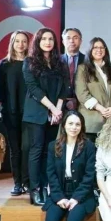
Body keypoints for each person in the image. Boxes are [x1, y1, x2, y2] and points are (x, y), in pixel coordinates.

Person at [41, 110, 97, 221]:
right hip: (59, 193)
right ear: (64, 125)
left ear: (82, 127)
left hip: (81, 195)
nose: (74, 127)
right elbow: (50, 174)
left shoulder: (89, 147)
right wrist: (59, 198)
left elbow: (89, 176)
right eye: (70, 123)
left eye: (77, 124)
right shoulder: (53, 146)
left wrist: (76, 198)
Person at [22, 28, 66, 206]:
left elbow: (65, 88)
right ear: (38, 41)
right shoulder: (29, 62)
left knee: (49, 152)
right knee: (36, 151)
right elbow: (34, 89)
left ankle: (46, 187)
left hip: (55, 114)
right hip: (36, 113)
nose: (48, 42)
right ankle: (35, 189)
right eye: (44, 39)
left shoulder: (60, 63)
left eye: (51, 39)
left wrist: (58, 110)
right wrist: (53, 109)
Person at [0, 30, 29, 196]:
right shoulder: (4, 64)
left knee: (28, 149)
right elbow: (0, 90)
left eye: (24, 41)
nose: (21, 44)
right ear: (12, 43)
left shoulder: (32, 63)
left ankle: (28, 182)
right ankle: (17, 183)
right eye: (17, 41)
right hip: (11, 114)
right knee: (15, 149)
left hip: (30, 114)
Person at [75, 37, 111, 141]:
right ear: (90, 50)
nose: (99, 50)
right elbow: (82, 93)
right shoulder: (83, 68)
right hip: (91, 121)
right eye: (95, 47)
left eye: (101, 47)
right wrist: (101, 108)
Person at [61, 28, 85, 111]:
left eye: (75, 38)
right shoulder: (56, 61)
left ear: (80, 41)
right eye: (68, 38)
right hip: (60, 106)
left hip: (83, 105)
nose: (71, 41)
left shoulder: (88, 61)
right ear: (63, 42)